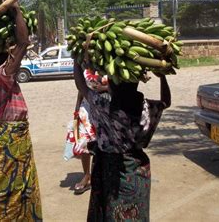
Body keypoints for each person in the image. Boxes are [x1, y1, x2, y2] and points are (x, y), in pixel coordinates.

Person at [74, 62, 171, 221]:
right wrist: (163, 77)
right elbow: (166, 101)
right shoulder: (146, 107)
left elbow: (81, 86)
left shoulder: (104, 106)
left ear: (112, 87)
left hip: (111, 171)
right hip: (137, 169)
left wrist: (76, 61)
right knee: (135, 214)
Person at [0, 0, 42, 221]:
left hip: (11, 136)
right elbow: (24, 42)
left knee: (16, 187)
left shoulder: (0, 79)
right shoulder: (2, 76)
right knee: (10, 190)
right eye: (9, 54)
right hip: (9, 139)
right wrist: (15, 8)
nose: (12, 56)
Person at [73, 69, 108, 195]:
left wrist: (104, 88)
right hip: (86, 110)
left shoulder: (109, 68)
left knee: (103, 142)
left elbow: (118, 89)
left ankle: (102, 175)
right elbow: (80, 90)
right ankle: (87, 175)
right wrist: (76, 110)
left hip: (105, 108)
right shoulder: (85, 72)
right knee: (84, 142)